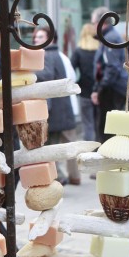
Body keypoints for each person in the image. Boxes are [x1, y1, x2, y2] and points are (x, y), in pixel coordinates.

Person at [32, 26, 80, 184]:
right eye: (36, 37)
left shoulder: (46, 54)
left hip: (53, 109)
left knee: (50, 146)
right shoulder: (59, 54)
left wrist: (29, 72)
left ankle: (58, 176)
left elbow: (46, 75)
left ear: (50, 39)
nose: (36, 40)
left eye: (40, 37)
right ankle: (72, 176)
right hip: (64, 106)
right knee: (66, 144)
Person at [90, 5, 129, 143]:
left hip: (112, 91)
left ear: (101, 23)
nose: (93, 27)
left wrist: (100, 89)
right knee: (107, 129)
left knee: (107, 131)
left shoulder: (110, 38)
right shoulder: (109, 37)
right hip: (112, 88)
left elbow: (112, 68)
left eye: (93, 23)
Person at [70, 22, 98, 141]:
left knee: (87, 124)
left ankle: (89, 148)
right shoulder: (100, 50)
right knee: (99, 122)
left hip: (85, 91)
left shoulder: (78, 51)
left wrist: (76, 84)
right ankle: (100, 146)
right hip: (100, 90)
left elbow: (71, 70)